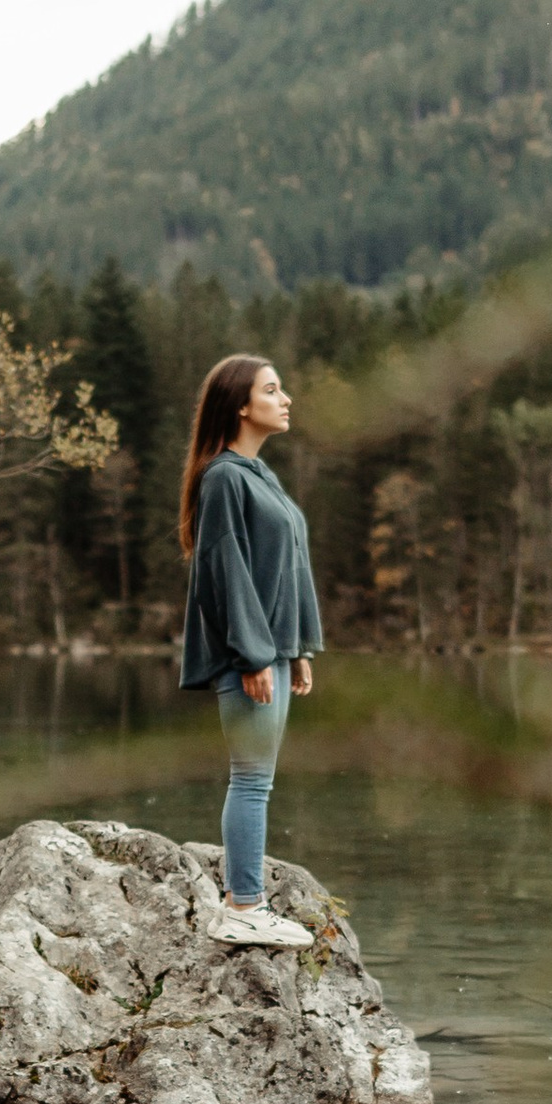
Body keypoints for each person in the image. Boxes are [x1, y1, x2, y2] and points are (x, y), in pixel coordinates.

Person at [177, 353, 322, 947]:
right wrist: (254, 654)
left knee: (259, 777)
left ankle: (245, 899)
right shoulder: (224, 477)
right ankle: (244, 905)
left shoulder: (261, 476)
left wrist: (297, 648)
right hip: (251, 656)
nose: (285, 398)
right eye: (272, 389)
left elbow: (289, 567)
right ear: (241, 404)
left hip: (274, 652)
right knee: (252, 778)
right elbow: (224, 570)